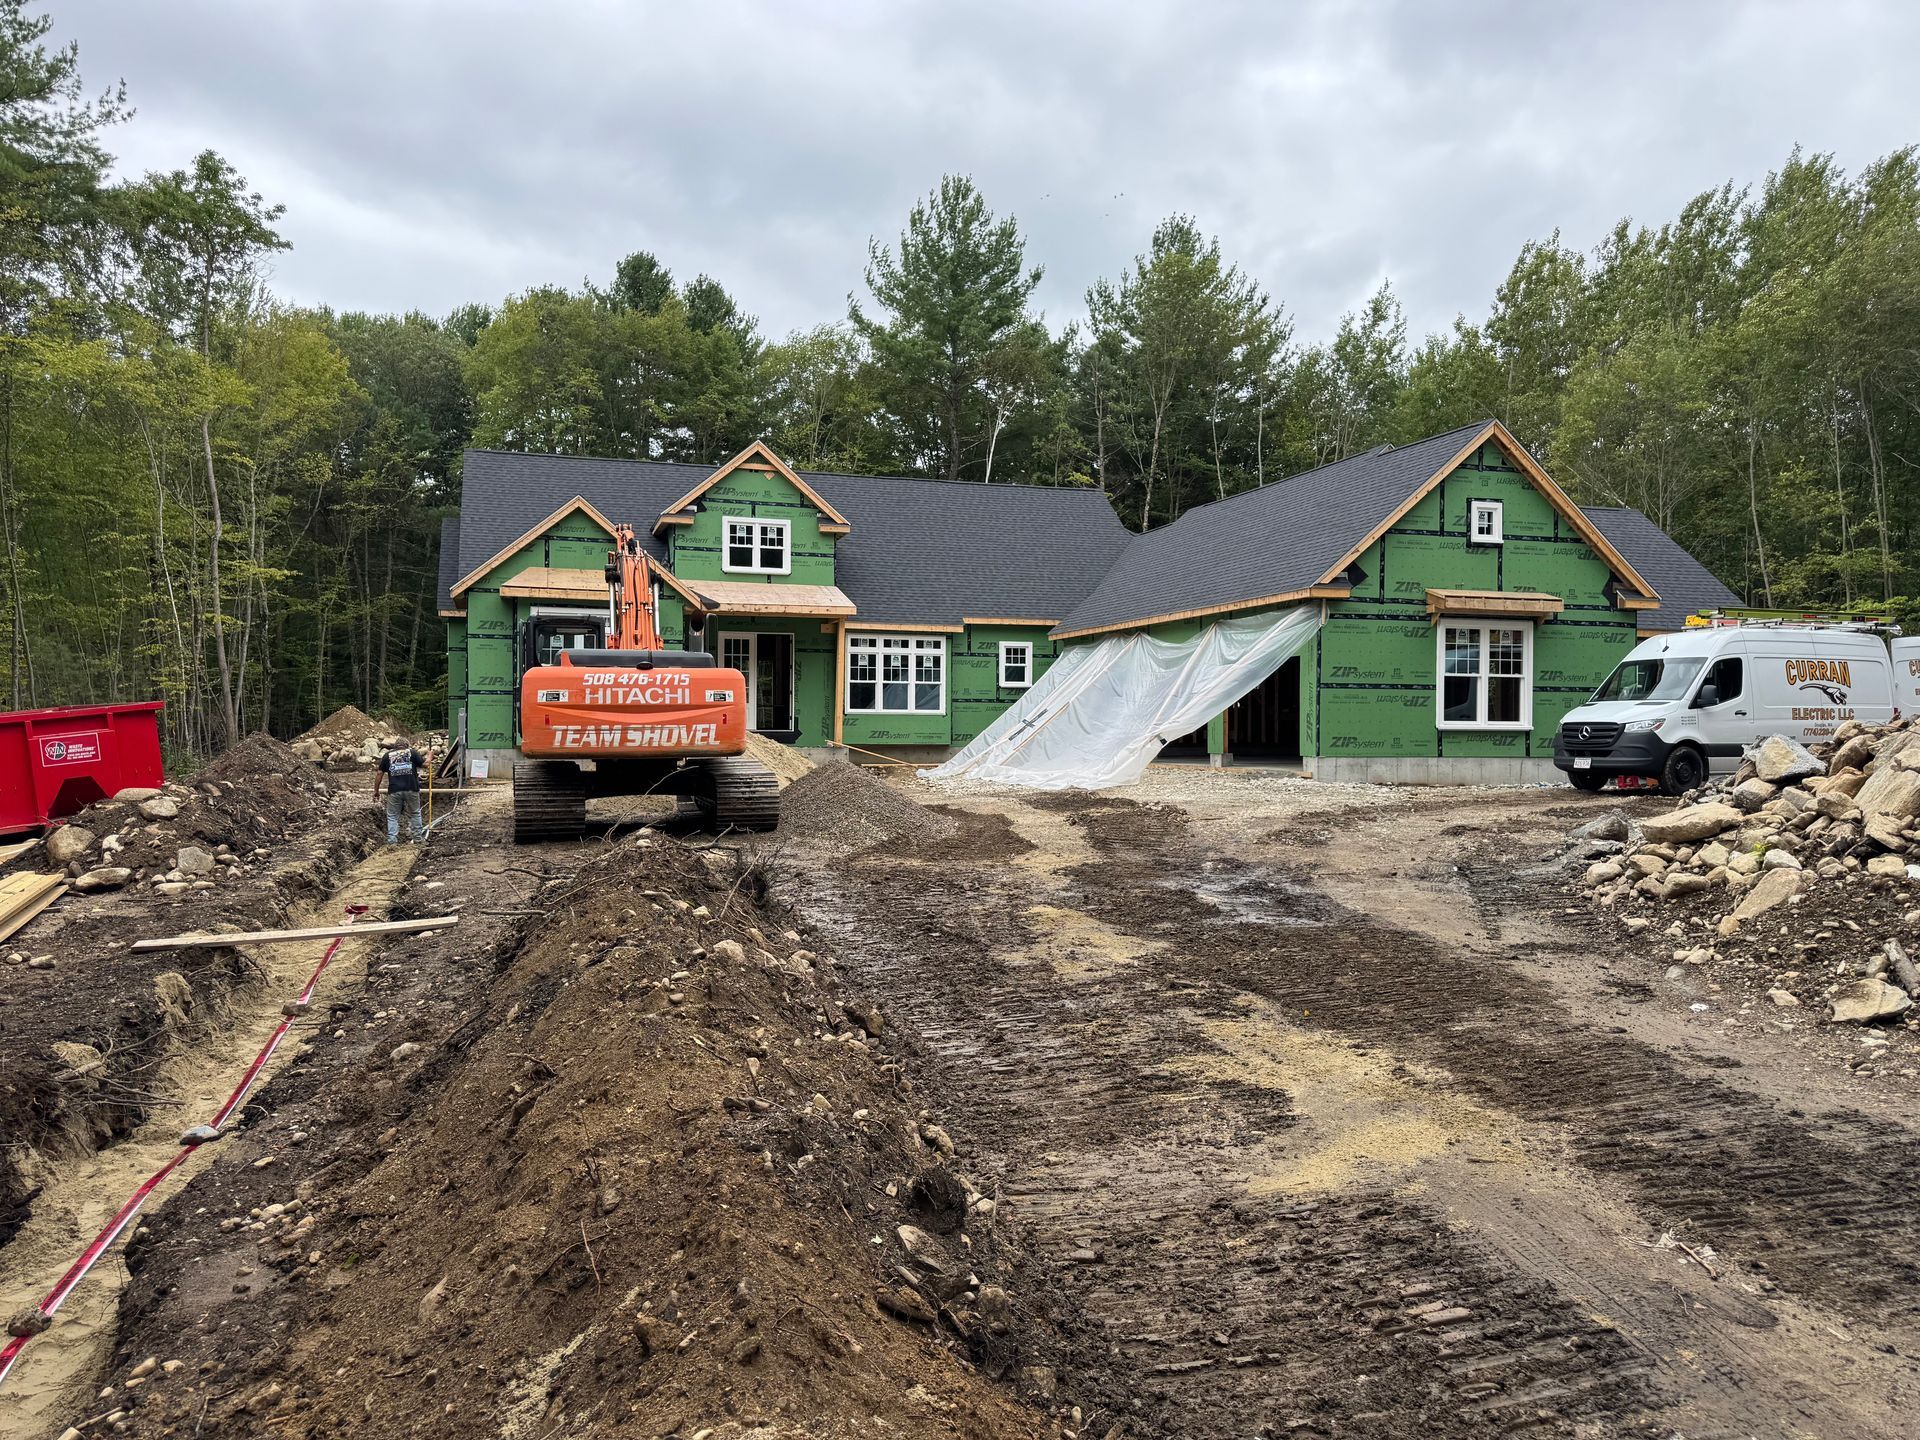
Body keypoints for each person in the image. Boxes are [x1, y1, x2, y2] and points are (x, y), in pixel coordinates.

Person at [373, 737, 431, 844]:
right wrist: (430, 756)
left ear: (395, 746)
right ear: (407, 745)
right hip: (411, 788)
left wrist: (376, 791)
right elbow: (426, 765)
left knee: (392, 816)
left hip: (394, 790)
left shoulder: (387, 755)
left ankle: (392, 842)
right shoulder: (412, 753)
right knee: (415, 813)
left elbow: (379, 773)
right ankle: (418, 839)